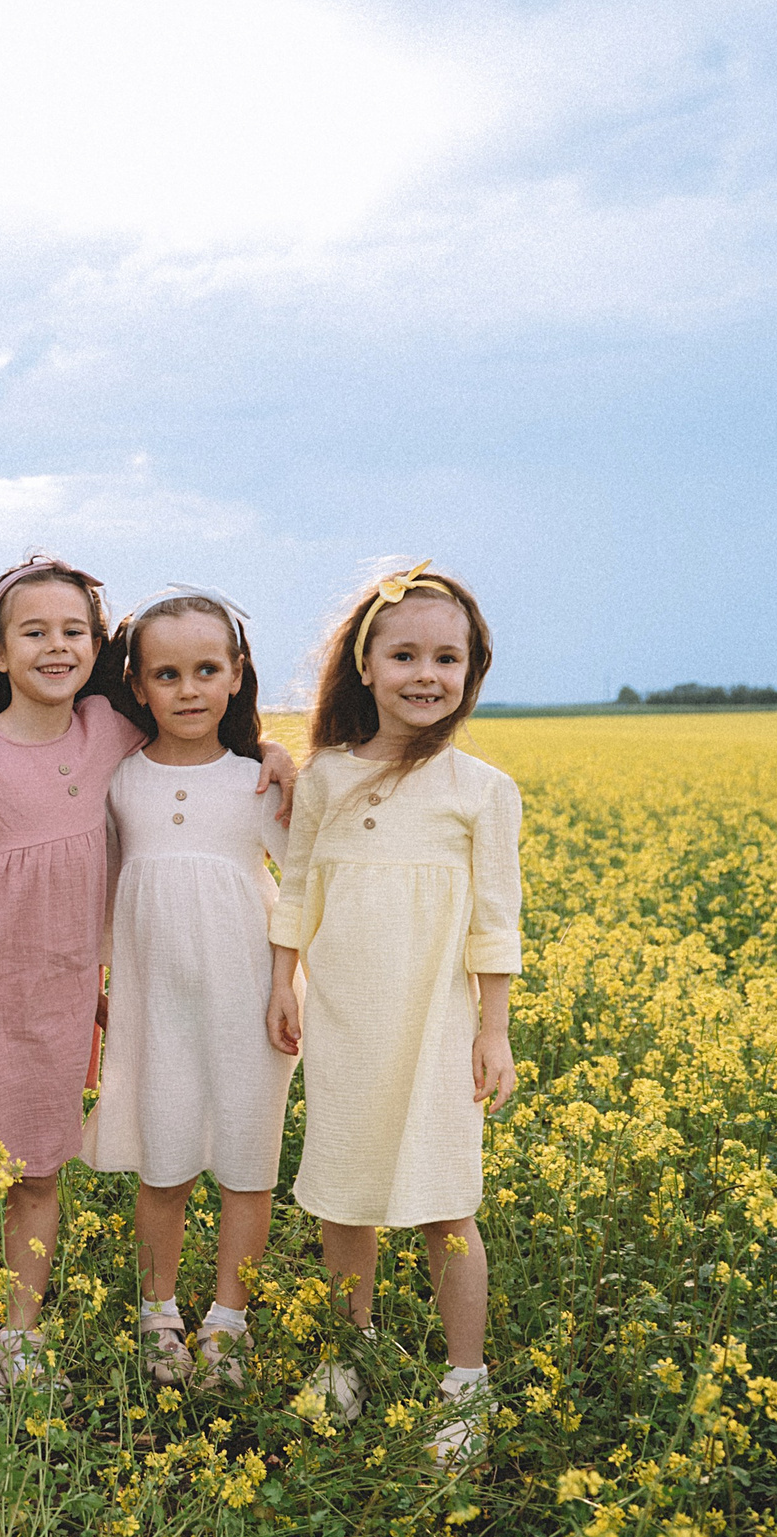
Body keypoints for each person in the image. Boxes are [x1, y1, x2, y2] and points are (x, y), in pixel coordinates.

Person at [0, 556, 294, 1409]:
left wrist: (272, 749)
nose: (57, 646)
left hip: (65, 997)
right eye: (34, 632)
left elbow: (199, 740)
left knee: (40, 1171)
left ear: (98, 648)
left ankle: (22, 1334)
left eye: (74, 630)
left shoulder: (107, 730)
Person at [265, 559, 521, 1469]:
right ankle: (349, 1354)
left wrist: (494, 1030)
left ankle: (466, 1381)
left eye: (447, 659)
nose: (426, 675)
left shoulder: (481, 789)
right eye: (404, 655)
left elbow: (495, 922)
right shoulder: (326, 779)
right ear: (365, 666)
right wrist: (281, 982)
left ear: (472, 671)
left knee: (448, 1204)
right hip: (344, 1021)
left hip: (439, 1029)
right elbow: (296, 891)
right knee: (345, 1195)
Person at [80, 586, 297, 1394]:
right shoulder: (118, 780)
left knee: (246, 1161)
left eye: (208, 670)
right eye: (167, 675)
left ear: (237, 675)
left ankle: (228, 1322)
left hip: (251, 999)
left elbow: (304, 887)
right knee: (162, 1161)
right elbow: (98, 886)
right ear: (137, 686)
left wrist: (286, 985)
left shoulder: (258, 781)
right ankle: (159, 1313)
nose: (190, 690)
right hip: (153, 1002)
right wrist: (95, 981)